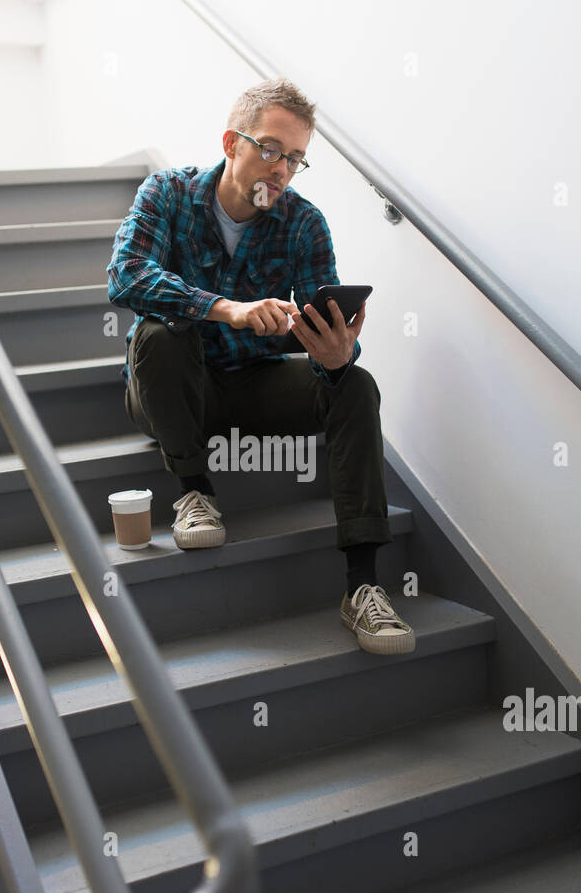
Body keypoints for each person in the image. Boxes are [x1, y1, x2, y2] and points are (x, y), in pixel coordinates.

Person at [106, 76, 415, 655]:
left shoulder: (302, 223)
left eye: (295, 160)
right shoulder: (166, 195)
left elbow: (322, 323)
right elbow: (126, 276)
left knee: (356, 385)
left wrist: (334, 356)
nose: (281, 170)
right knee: (160, 332)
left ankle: (364, 588)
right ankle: (195, 492)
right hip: (173, 390)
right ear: (232, 143)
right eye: (271, 150)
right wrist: (227, 310)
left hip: (257, 387)